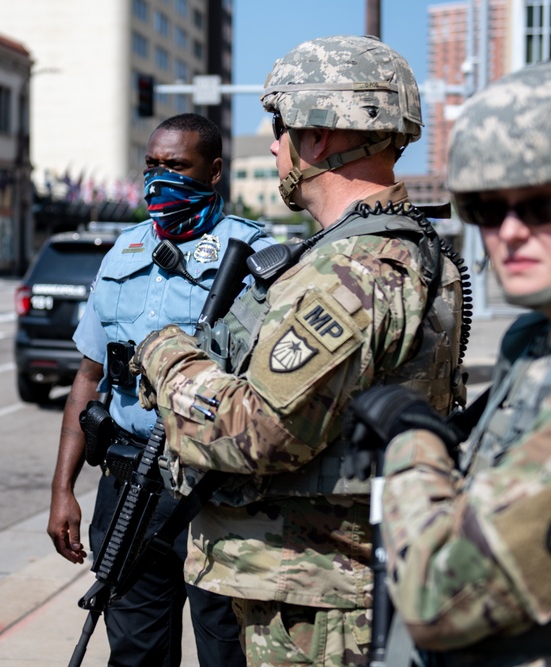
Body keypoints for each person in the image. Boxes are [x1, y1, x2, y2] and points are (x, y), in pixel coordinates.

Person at [129, 36, 470, 666]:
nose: (272, 145)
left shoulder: (352, 270)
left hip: (320, 605)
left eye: (281, 128)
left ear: (319, 139)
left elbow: (255, 430)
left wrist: (166, 356)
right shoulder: (404, 247)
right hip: (336, 588)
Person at [48, 112, 272, 666]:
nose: (160, 177)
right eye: (152, 164)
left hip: (215, 493)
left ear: (213, 171)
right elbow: (88, 378)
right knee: (135, 653)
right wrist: (62, 490)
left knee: (229, 652)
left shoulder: (251, 253)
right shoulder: (123, 250)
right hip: (128, 485)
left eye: (177, 165)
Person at [345, 61, 551, 665]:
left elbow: (438, 595)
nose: (510, 232)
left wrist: (412, 442)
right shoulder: (531, 341)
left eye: (541, 204)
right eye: (488, 207)